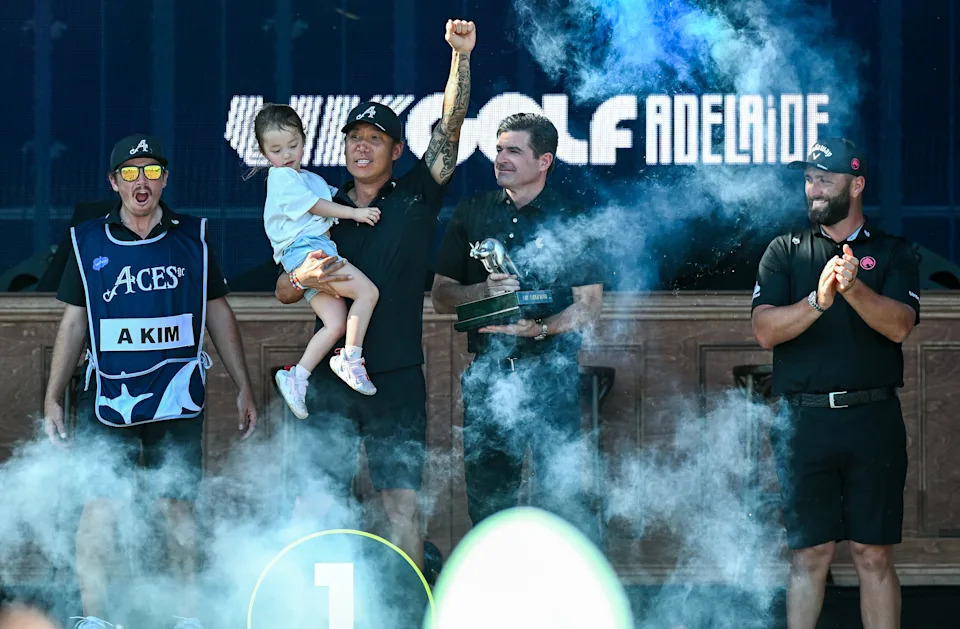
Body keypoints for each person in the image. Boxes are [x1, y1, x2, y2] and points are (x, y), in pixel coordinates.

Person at [274, 19, 476, 570]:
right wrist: (304, 278)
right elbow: (283, 291)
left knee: (401, 504)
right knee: (318, 503)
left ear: (395, 148)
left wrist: (459, 59)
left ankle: (410, 608)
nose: (362, 147)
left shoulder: (417, 196)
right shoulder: (319, 205)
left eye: (375, 139)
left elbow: (451, 128)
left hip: (396, 375)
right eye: (354, 138)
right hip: (330, 382)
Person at [42, 134, 259, 629]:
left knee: (177, 505)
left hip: (177, 393)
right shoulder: (88, 239)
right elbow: (75, 321)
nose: (143, 182)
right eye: (132, 173)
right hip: (108, 397)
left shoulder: (194, 237)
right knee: (100, 505)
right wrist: (53, 396)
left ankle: (187, 618)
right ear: (114, 182)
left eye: (153, 172)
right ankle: (94, 620)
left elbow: (217, 314)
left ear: (165, 179)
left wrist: (243, 384)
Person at [751, 138, 919, 629]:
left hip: (874, 420)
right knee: (810, 555)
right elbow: (765, 332)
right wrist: (820, 299)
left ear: (857, 183)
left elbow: (900, 326)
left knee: (873, 554)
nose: (814, 187)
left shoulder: (893, 251)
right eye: (808, 178)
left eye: (824, 177)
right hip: (803, 421)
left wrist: (853, 288)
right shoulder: (784, 250)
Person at [430, 113, 604, 541]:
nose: (500, 158)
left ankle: (560, 604)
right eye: (499, 149)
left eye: (513, 150)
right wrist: (482, 292)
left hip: (553, 376)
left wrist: (539, 330)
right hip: (487, 378)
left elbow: (590, 306)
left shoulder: (573, 217)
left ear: (544, 160)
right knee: (489, 506)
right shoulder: (472, 212)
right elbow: (440, 297)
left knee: (562, 505)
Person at [256, 103, 382, 416]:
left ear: (304, 139)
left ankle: (297, 376)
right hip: (308, 252)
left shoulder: (308, 178)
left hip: (309, 254)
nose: (286, 155)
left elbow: (333, 196)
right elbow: (318, 207)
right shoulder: (281, 177)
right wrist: (356, 213)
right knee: (368, 293)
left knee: (336, 323)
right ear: (263, 152)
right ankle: (350, 358)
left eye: (293, 146)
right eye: (276, 149)